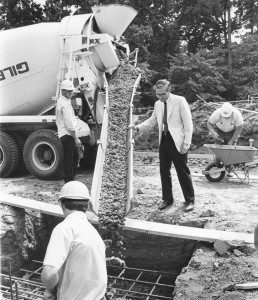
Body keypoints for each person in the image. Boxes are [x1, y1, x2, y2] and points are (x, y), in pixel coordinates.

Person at [130, 79, 195, 212]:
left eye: (162, 94)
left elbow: (188, 123)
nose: (160, 97)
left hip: (178, 141)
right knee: (164, 171)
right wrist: (137, 128)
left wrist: (186, 142)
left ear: (169, 90)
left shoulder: (180, 101)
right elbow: (152, 121)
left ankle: (189, 201)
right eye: (157, 94)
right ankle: (167, 199)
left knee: (182, 172)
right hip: (164, 140)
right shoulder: (158, 104)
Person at [41, 181, 107, 300]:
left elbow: (48, 275)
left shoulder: (64, 229)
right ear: (87, 205)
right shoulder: (93, 232)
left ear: (61, 204)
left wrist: (50, 289)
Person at [56, 80, 82, 183]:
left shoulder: (64, 101)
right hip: (67, 135)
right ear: (64, 91)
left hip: (66, 135)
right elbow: (69, 124)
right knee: (70, 160)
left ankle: (70, 180)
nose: (72, 93)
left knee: (73, 158)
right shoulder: (64, 104)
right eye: (70, 91)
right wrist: (76, 138)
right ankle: (69, 181)